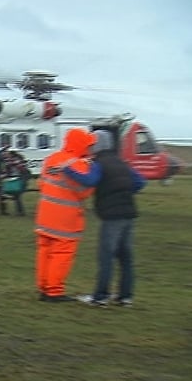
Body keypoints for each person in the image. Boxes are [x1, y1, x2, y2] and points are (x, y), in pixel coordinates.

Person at [64, 130, 147, 307]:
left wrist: (68, 170)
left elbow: (90, 180)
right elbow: (140, 182)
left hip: (111, 216)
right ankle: (125, 297)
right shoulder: (121, 163)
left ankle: (100, 297)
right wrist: (124, 192)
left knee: (106, 256)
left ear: (96, 145)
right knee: (125, 257)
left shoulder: (98, 163)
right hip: (129, 213)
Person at [35, 128, 97, 302]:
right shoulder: (79, 164)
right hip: (65, 219)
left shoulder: (52, 159)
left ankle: (43, 287)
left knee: (44, 252)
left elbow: (42, 183)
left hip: (45, 215)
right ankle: (54, 291)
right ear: (82, 144)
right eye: (89, 145)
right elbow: (84, 192)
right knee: (61, 255)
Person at [1, 149, 31, 216]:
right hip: (16, 180)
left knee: (7, 195)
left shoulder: (13, 162)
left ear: (11, 155)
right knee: (16, 197)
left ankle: (6, 211)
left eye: (7, 154)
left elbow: (20, 170)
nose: (6, 155)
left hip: (17, 180)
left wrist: (3, 176)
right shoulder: (14, 161)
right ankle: (19, 212)